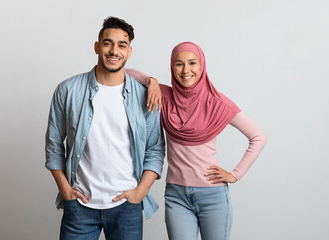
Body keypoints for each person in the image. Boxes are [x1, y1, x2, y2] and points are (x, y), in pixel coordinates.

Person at [127, 41, 267, 240]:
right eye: (179, 64)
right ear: (172, 67)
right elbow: (127, 73)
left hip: (213, 196)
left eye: (192, 63)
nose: (186, 70)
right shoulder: (164, 97)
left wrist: (235, 175)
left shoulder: (217, 102)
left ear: (201, 66)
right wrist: (152, 81)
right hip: (176, 196)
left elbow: (258, 137)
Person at [45, 17, 165, 240]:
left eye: (122, 45)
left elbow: (155, 149)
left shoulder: (145, 96)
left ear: (129, 51)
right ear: (97, 47)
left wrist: (141, 192)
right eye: (108, 43)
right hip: (80, 204)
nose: (114, 51)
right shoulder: (68, 90)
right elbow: (53, 144)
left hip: (126, 206)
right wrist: (64, 189)